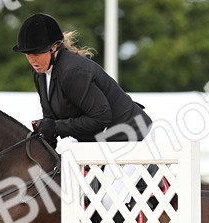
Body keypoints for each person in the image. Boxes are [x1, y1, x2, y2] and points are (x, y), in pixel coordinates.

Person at [13, 12, 152, 144]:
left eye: (36, 54)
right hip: (103, 139)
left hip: (134, 136)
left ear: (54, 48)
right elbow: (50, 118)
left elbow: (101, 118)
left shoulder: (72, 72)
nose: (32, 60)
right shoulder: (40, 72)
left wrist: (56, 127)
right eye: (27, 54)